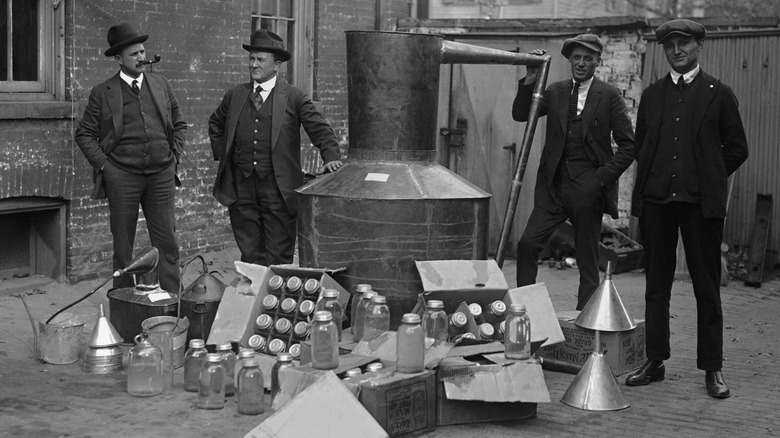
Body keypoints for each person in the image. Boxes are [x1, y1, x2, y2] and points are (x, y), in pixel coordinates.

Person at [626, 19, 748, 399]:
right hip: (658, 203)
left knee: (706, 289)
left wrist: (709, 176)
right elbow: (642, 146)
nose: (677, 50)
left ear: (699, 46)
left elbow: (737, 148)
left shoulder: (720, 94)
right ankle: (655, 361)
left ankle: (713, 369)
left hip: (699, 206)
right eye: (670, 45)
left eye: (684, 43)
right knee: (655, 287)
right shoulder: (652, 95)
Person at [512, 34, 635, 310]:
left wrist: (600, 179)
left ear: (597, 62)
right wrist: (531, 76)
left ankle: (585, 323)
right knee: (528, 244)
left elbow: (629, 147)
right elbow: (521, 113)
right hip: (553, 188)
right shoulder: (555, 91)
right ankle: (525, 311)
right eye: (576, 58)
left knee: (588, 260)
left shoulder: (609, 95)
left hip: (587, 189)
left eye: (588, 59)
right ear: (570, 60)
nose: (581, 63)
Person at [209, 29, 343, 266]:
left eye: (260, 60)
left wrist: (330, 156)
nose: (254, 65)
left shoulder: (294, 97)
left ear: (277, 65)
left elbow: (321, 130)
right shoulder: (235, 95)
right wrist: (226, 155)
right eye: (251, 59)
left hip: (279, 189)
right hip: (242, 188)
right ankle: (252, 296)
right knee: (250, 252)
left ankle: (276, 300)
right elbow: (216, 123)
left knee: (279, 254)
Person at [75, 22, 186, 294]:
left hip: (160, 175)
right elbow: (84, 134)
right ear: (118, 59)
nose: (141, 58)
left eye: (142, 52)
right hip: (122, 177)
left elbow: (179, 124)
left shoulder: (161, 85)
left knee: (168, 244)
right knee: (123, 249)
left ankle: (174, 304)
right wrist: (106, 167)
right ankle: (124, 307)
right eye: (134, 54)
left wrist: (174, 156)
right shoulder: (103, 92)